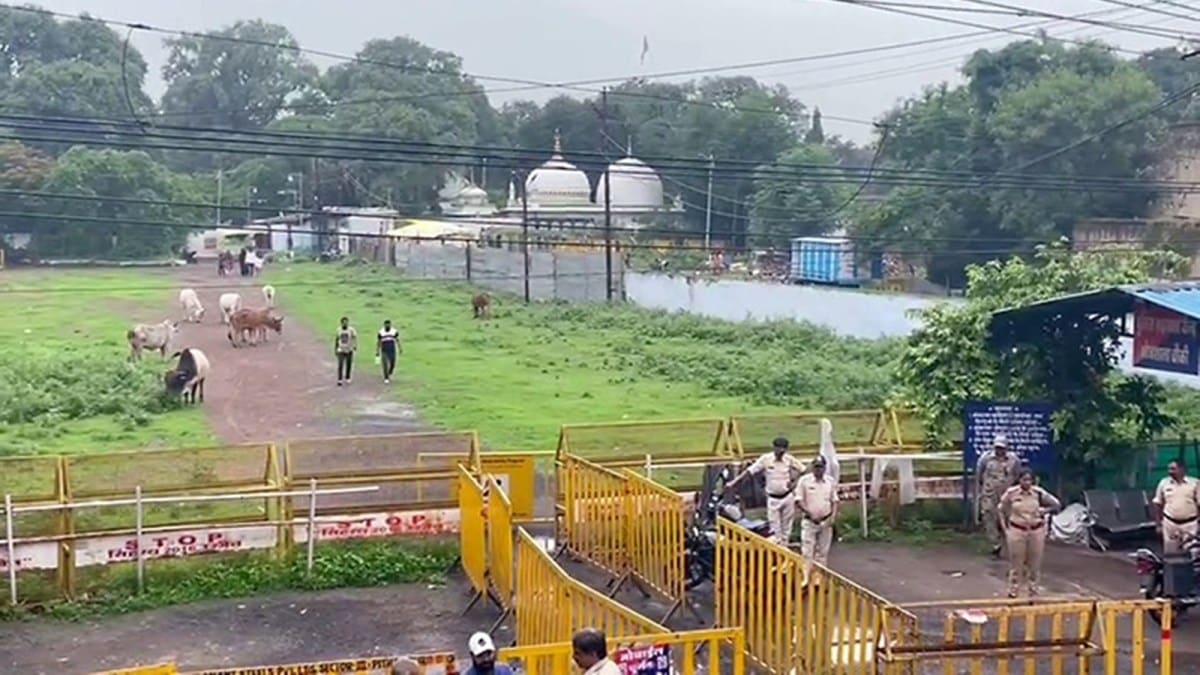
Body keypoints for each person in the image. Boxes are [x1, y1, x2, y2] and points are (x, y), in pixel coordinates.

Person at [727, 436, 805, 545]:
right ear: (774, 448)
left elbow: (804, 470)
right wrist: (734, 482)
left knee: (786, 529)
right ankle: (777, 551)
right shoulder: (766, 459)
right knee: (775, 528)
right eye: (779, 449)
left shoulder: (789, 459)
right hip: (773, 499)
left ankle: (785, 550)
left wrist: (794, 482)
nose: (781, 451)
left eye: (783, 449)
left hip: (787, 497)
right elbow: (750, 471)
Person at [999, 468, 1061, 597]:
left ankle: (1033, 590)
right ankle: (1013, 590)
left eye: (1029, 480)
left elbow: (1056, 504)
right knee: (1016, 563)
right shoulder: (1012, 493)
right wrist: (1005, 529)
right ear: (1019, 480)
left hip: (1035, 530)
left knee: (1034, 563)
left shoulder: (1038, 493)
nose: (1027, 483)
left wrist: (1045, 510)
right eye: (1024, 479)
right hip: (1017, 530)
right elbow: (1001, 509)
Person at [976, 434, 1022, 558]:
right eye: (997, 447)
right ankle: (995, 545)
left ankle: (1012, 545)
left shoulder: (1014, 460)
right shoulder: (985, 459)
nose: (999, 450)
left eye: (1002, 448)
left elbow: (1018, 475)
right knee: (988, 517)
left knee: (1008, 520)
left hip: (1007, 495)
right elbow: (979, 475)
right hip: (990, 494)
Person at [797, 455, 839, 583]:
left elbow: (835, 501)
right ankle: (805, 576)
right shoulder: (804, 481)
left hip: (825, 520)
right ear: (812, 467)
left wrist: (832, 517)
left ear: (825, 468)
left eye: (820, 467)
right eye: (816, 467)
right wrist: (809, 512)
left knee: (822, 551)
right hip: (809, 520)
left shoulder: (830, 482)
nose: (818, 470)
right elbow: (798, 500)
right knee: (807, 550)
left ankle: (818, 576)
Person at [1151, 459, 1199, 555]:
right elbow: (1157, 503)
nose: (1170, 472)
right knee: (1171, 553)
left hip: (1190, 524)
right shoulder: (1164, 483)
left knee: (1192, 553)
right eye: (1169, 469)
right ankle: (1171, 570)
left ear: (1182, 469)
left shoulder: (1195, 483)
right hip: (1170, 524)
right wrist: (1158, 524)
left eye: (1173, 469)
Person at [334, 316, 357, 386]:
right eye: (344, 323)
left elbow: (354, 338)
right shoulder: (338, 330)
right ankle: (339, 379)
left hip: (349, 349)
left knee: (348, 364)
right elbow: (337, 340)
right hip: (341, 350)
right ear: (341, 323)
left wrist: (354, 345)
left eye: (346, 323)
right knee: (340, 365)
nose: (345, 324)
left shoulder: (351, 330)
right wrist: (335, 349)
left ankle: (347, 377)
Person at [376, 319, 401, 384]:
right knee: (385, 364)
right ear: (384, 325)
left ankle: (390, 372)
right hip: (384, 349)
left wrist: (399, 347)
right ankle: (386, 377)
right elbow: (379, 342)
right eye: (386, 325)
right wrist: (377, 351)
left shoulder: (394, 331)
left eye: (388, 324)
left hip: (392, 348)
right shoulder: (381, 332)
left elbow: (397, 340)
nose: (387, 326)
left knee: (393, 363)